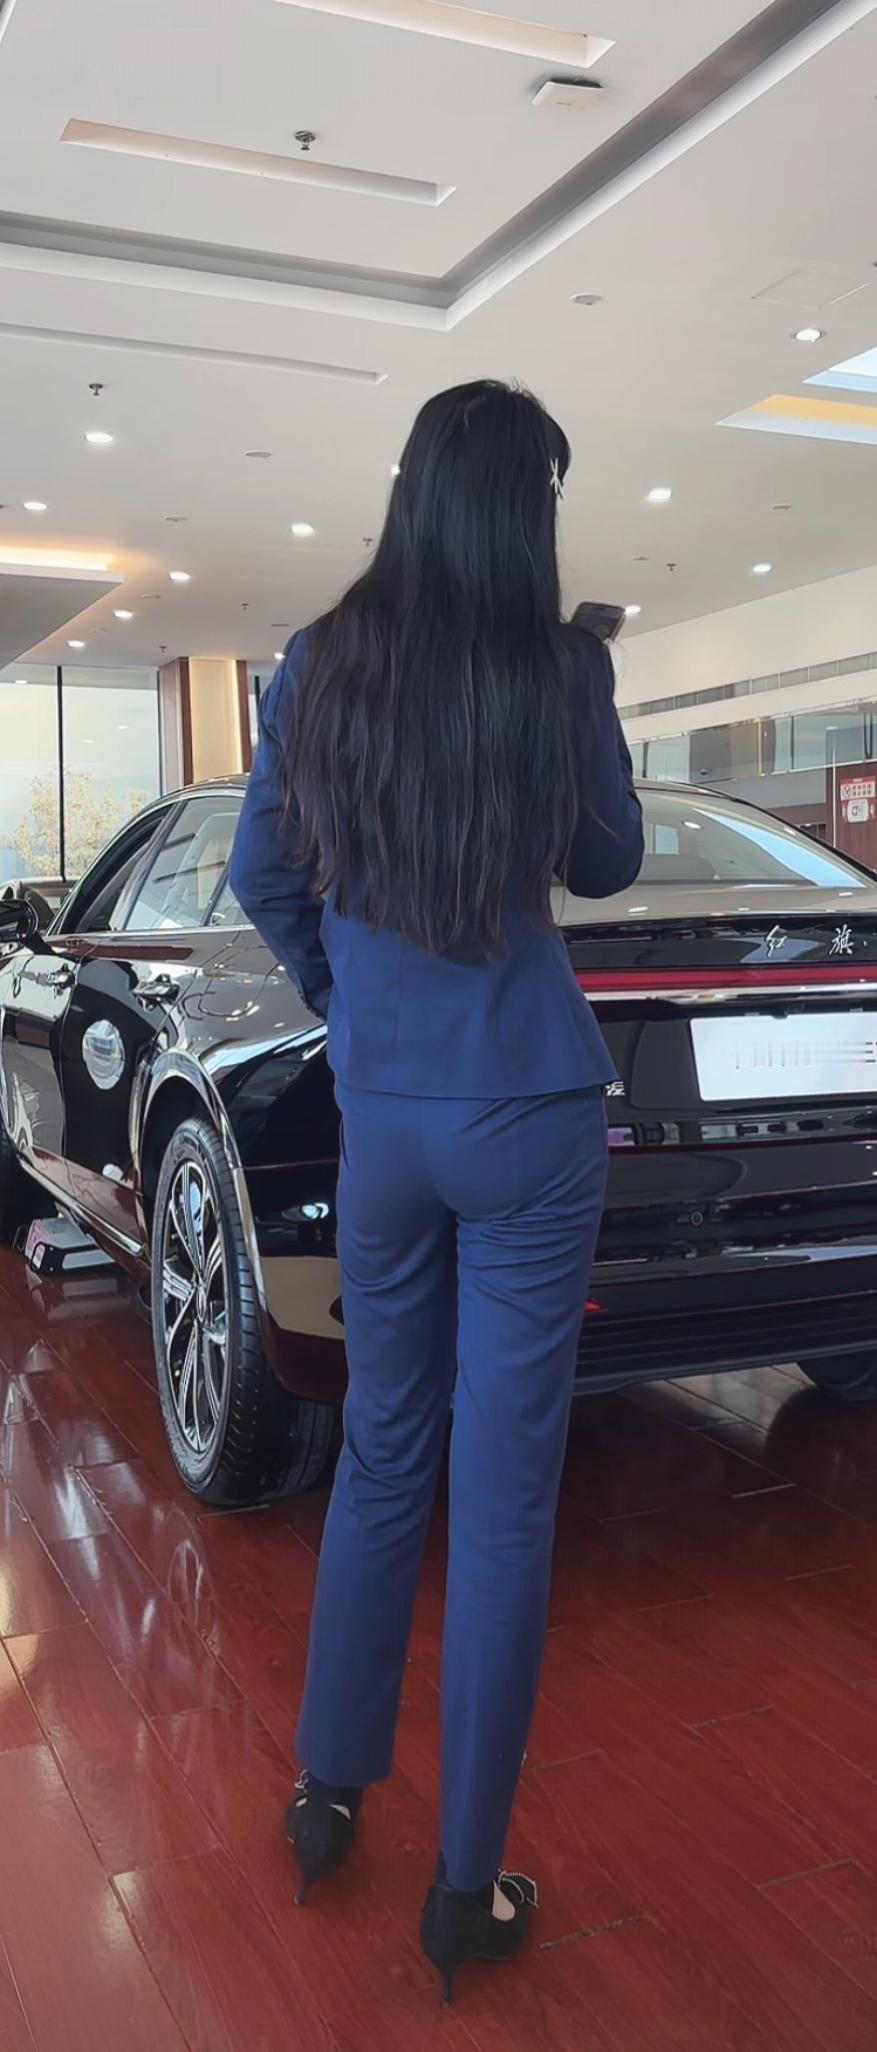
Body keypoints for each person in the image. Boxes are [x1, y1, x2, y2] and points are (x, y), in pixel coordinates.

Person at [230, 379, 643, 2002]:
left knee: (382, 1453)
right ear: (525, 510)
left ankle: (327, 1793)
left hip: (385, 1113)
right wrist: (589, 696)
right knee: (505, 1492)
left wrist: (356, 1003)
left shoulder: (316, 660)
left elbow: (264, 874)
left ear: (409, 490)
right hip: (527, 1107)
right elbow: (604, 860)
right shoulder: (557, 665)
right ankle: (468, 1888)